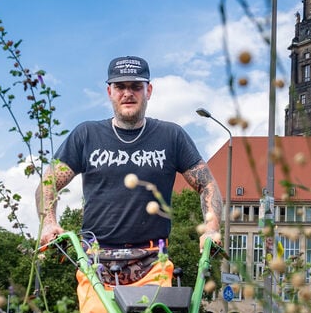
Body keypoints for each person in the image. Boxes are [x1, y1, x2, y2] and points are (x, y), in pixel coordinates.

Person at [37, 55, 222, 289]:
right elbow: (48, 182)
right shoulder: (86, 135)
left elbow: (207, 184)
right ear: (109, 92)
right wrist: (50, 223)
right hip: (94, 263)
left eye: (136, 86)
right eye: (120, 86)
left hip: (152, 262)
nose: (128, 93)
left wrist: (211, 229)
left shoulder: (171, 136)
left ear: (149, 90)